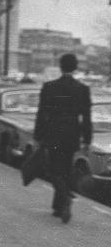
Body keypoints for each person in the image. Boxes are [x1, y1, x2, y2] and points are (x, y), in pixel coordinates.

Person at [34, 53, 92, 223]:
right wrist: (87, 140)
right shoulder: (82, 89)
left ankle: (64, 199)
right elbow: (86, 117)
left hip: (53, 134)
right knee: (65, 170)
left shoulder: (49, 87)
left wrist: (38, 135)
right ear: (75, 68)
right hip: (72, 135)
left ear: (60, 66)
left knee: (53, 170)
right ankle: (58, 207)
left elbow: (41, 113)